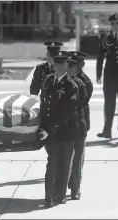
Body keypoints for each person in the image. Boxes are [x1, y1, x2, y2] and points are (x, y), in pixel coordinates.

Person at [38, 51, 79, 208]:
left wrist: (50, 129)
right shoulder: (48, 80)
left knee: (64, 164)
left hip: (65, 131)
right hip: (49, 131)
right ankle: (49, 196)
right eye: (57, 63)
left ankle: (60, 195)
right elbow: (43, 104)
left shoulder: (71, 85)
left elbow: (67, 112)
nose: (60, 67)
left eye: (63, 64)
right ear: (53, 64)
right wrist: (42, 127)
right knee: (52, 162)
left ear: (67, 65)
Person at [64, 52, 88, 200]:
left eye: (75, 65)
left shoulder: (84, 82)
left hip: (79, 124)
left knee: (77, 158)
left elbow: (81, 105)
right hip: (64, 125)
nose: (73, 68)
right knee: (63, 157)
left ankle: (75, 188)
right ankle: (61, 185)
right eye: (70, 65)